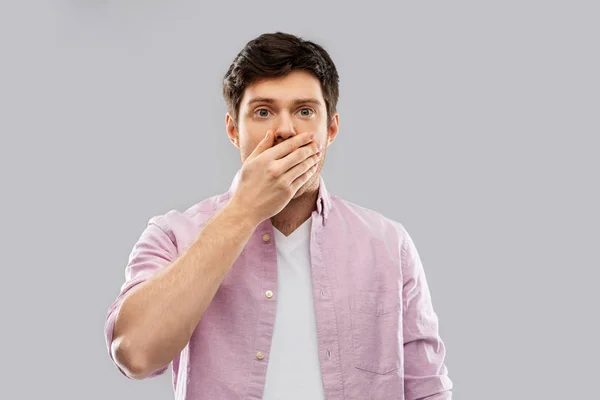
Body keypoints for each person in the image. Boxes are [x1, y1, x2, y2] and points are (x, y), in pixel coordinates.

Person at [104, 31, 453, 400]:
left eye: (305, 111)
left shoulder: (388, 243)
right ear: (233, 130)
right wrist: (243, 210)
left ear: (330, 129)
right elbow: (135, 355)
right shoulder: (173, 234)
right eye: (263, 112)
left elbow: (427, 388)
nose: (286, 130)